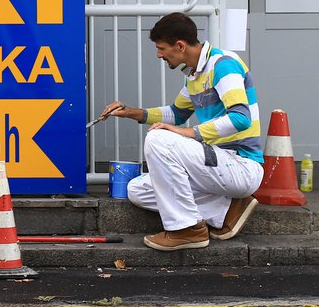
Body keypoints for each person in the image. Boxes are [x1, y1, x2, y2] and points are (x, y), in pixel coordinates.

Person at [100, 12, 264, 251]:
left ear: (180, 45)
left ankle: (186, 230)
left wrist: (187, 133)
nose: (159, 54)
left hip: (241, 165)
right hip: (217, 165)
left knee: (158, 138)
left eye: (161, 48)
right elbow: (176, 114)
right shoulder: (194, 74)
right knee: (137, 190)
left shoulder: (223, 64)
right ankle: (225, 211)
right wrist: (131, 112)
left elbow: (240, 118)